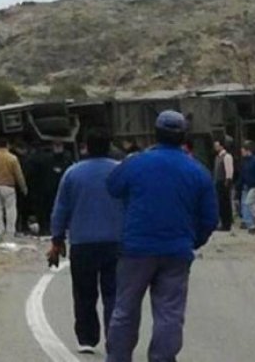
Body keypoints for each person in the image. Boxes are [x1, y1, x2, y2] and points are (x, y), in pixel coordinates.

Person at [105, 110, 218, 362]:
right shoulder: (197, 170)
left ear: (155, 133)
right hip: (177, 251)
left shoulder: (137, 163)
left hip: (135, 249)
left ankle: (118, 357)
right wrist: (192, 239)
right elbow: (210, 218)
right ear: (183, 137)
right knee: (170, 313)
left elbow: (112, 186)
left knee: (125, 309)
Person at [49, 129, 123, 354]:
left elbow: (61, 209)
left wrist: (57, 239)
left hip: (82, 243)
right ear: (109, 146)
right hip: (116, 242)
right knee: (114, 293)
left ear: (86, 147)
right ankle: (115, 336)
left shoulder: (72, 174)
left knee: (84, 293)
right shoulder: (120, 172)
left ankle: (87, 338)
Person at [0, 136, 28, 237]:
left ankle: (1, 231)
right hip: (8, 187)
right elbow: (19, 175)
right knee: (10, 209)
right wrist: (23, 188)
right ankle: (10, 231)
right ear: (7, 145)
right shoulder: (12, 158)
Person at [237, 140, 255, 236]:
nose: (241, 152)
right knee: (252, 204)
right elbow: (243, 175)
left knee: (249, 202)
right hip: (249, 186)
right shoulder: (245, 162)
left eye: (243, 150)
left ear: (248, 150)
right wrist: (239, 185)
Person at [213, 138, 235, 232]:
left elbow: (229, 170)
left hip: (224, 182)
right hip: (218, 182)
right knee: (221, 203)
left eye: (217, 145)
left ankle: (227, 224)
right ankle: (223, 222)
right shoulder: (218, 157)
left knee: (225, 203)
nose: (215, 147)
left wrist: (227, 180)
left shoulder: (227, 156)